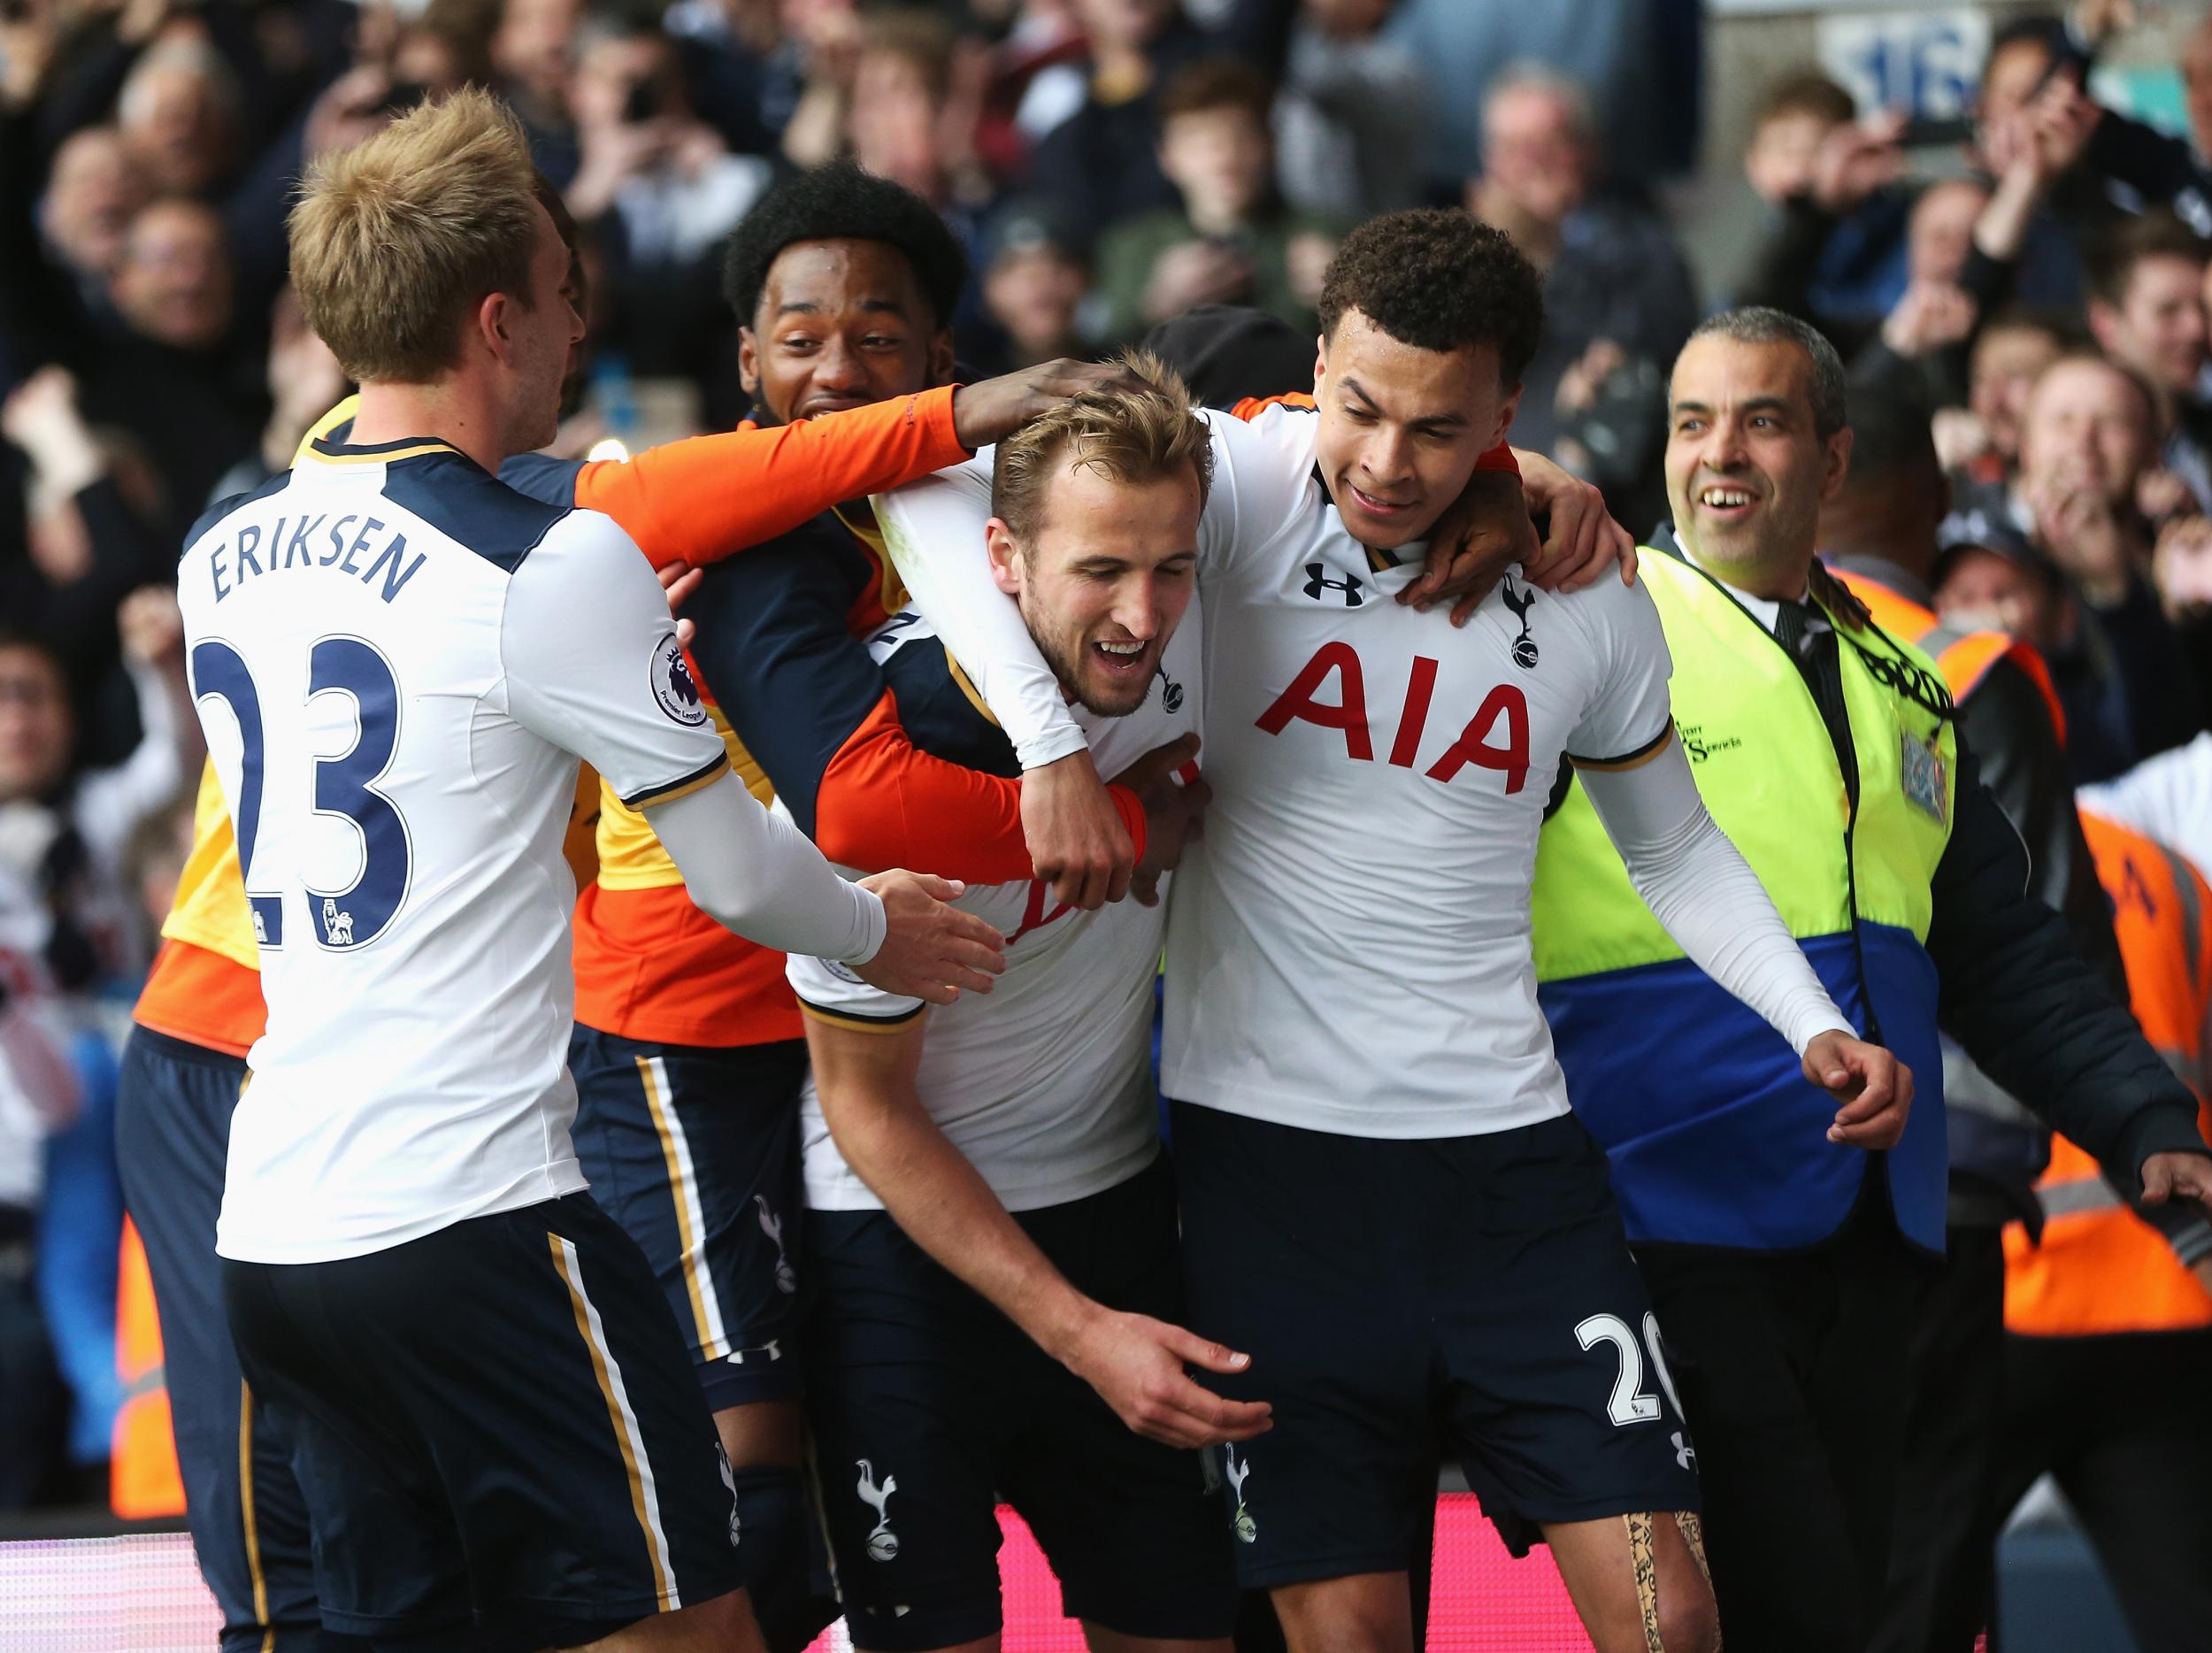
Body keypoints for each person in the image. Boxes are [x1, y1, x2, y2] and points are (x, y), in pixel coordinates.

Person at [880, 207, 1917, 1653]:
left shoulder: (1590, 595)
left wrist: (1816, 1022)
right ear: (1315, 368)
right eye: (1356, 406)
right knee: (1349, 1632)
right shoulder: (1235, 480)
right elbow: (928, 488)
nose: (1382, 461)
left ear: (1506, 416)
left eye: (1438, 429)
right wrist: (1050, 744)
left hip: (1516, 1187)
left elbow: (1674, 844)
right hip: (1271, 1186)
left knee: (1671, 1613)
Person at [120, 167, 1125, 1652]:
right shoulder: (555, 552)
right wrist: (868, 926)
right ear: (501, 319)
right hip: (480, 1211)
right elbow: (737, 865)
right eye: (569, 295)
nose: (585, 328)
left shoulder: (223, 548)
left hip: (275, 1220)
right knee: (697, 1622)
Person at [1528, 307, 2212, 1653]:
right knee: (1733, 1621)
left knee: (1845, 1618)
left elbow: (2004, 952)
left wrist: (2144, 1119)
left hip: (1873, 1234)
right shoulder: (1580, 625)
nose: (1720, 454)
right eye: (1690, 422)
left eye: (1762, 420)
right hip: (1658, 1213)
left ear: (1834, 462)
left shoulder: (1908, 680)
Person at [792, 362, 1242, 1652]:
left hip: (1115, 1210)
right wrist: (1081, 1335)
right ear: (1003, 560)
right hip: (899, 1253)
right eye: (1100, 569)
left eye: (1170, 569)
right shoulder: (887, 766)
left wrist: (1519, 479)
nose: (1141, 614)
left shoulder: (1180, 646)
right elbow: (866, 1113)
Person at [1991, 810, 2212, 1653]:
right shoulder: (2175, 876)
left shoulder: (1939, 863)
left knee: (1921, 1601)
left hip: (2005, 1297)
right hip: (2168, 1297)